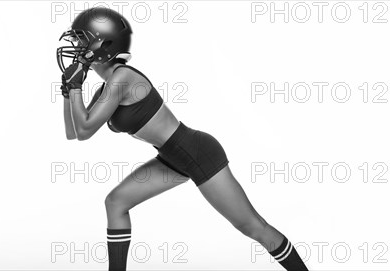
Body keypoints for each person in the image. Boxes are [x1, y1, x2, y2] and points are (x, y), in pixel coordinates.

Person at [57, 7, 309, 271]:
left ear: (104, 44)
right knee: (116, 202)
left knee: (252, 226)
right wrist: (68, 92)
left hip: (197, 153)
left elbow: (84, 130)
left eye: (82, 41)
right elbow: (74, 133)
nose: (76, 48)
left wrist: (75, 88)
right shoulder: (106, 88)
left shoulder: (123, 78)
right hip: (172, 157)